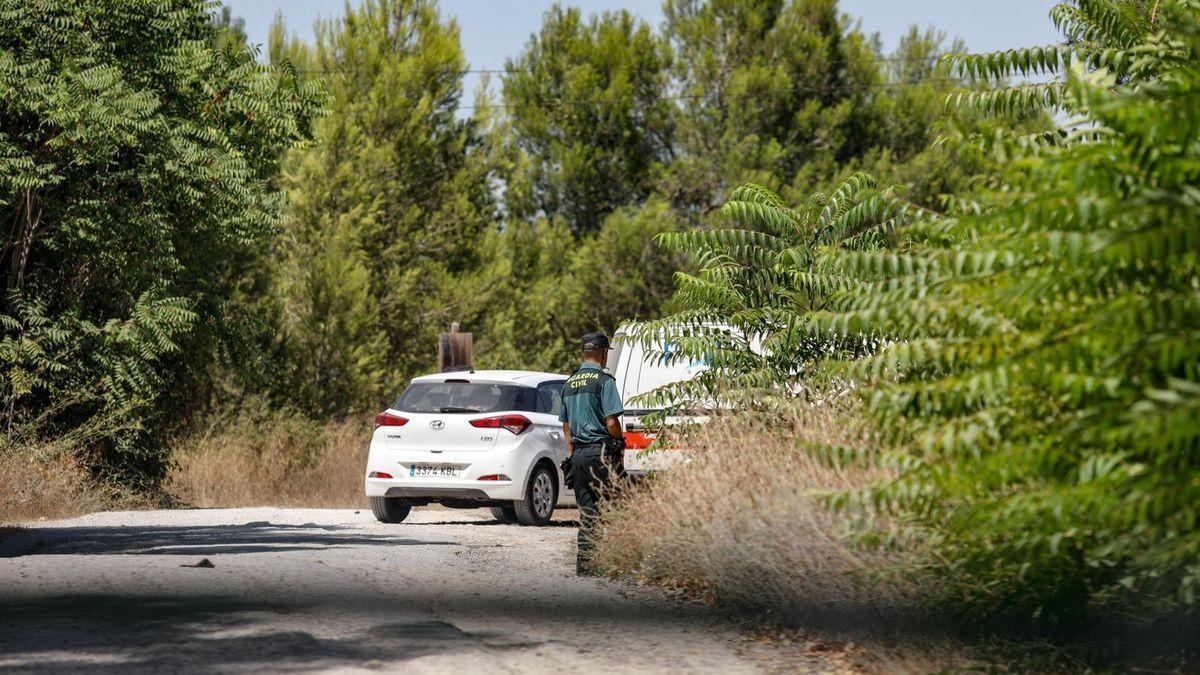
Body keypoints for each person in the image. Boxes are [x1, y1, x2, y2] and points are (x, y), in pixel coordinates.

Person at [558, 331, 625, 576]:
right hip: (601, 455)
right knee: (614, 508)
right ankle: (614, 563)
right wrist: (620, 441)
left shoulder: (569, 383)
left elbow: (565, 426)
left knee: (588, 512)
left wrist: (573, 452)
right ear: (603, 352)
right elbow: (611, 423)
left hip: (578, 457)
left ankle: (585, 566)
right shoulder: (603, 382)